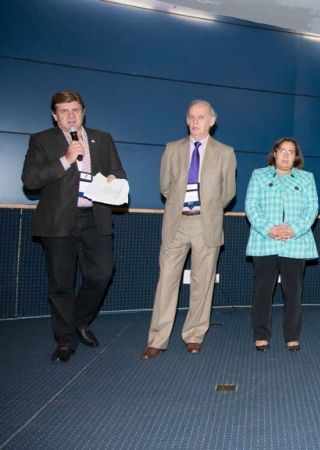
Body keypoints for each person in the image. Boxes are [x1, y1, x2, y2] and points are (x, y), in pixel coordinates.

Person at [21, 91, 127, 363]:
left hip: (95, 218)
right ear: (54, 115)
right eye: (64, 111)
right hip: (59, 222)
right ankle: (65, 340)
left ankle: (79, 320)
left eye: (76, 110)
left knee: (102, 274)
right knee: (61, 284)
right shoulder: (41, 140)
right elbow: (30, 180)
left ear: (83, 112)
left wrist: (114, 178)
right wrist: (65, 160)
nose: (71, 116)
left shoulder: (102, 138)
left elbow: (118, 171)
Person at [140, 100, 237, 359]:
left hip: (207, 223)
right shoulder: (172, 149)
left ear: (211, 122)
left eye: (201, 117)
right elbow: (165, 187)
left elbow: (228, 192)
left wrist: (208, 208)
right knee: (166, 282)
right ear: (186, 120)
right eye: (191, 116)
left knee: (202, 283)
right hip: (177, 222)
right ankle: (157, 339)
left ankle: (194, 336)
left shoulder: (225, 152)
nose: (195, 121)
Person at [246, 138, 319, 352]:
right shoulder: (259, 175)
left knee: (293, 293)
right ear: (275, 153)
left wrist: (294, 229)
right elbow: (251, 206)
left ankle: (292, 335)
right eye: (282, 150)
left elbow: (312, 208)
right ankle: (261, 335)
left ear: (296, 157)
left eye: (291, 152)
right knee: (262, 292)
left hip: (295, 242)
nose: (286, 155)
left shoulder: (306, 178)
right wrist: (269, 228)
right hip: (265, 242)